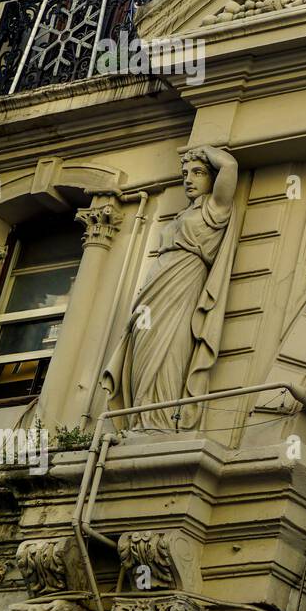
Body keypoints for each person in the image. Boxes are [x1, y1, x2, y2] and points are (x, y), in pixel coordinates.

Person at [101, 145, 238, 429]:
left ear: (211, 179)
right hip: (156, 285)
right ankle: (140, 417)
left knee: (171, 344)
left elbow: (229, 166)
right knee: (143, 345)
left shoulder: (215, 208)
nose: (188, 179)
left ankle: (158, 419)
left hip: (183, 282)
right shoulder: (183, 214)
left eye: (198, 173)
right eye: (185, 173)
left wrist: (202, 147)